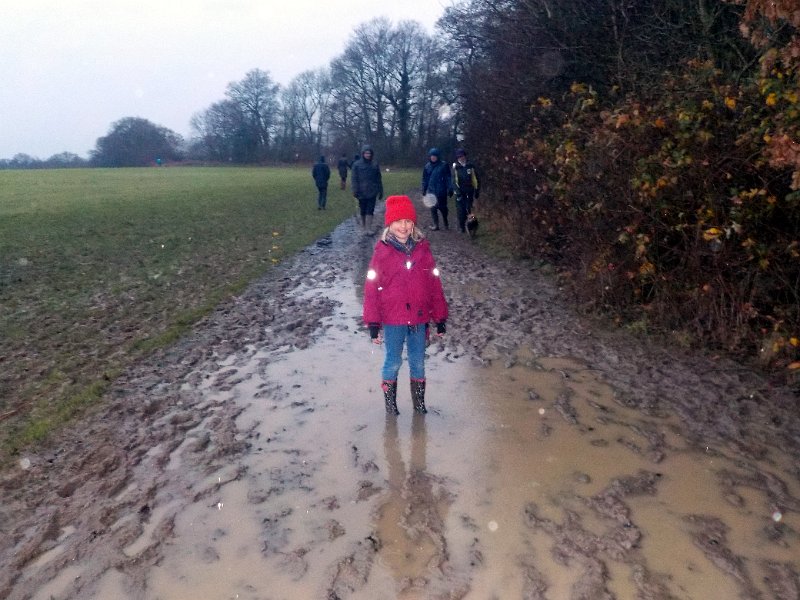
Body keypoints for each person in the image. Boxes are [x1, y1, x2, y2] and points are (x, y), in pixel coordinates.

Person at [363, 195, 448, 414]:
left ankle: (419, 406)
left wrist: (440, 318)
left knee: (418, 362)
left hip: (419, 318)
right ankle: (391, 407)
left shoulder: (423, 250)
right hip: (394, 320)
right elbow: (371, 291)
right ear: (390, 224)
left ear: (413, 224)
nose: (403, 226)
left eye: (408, 221)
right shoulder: (381, 253)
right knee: (393, 361)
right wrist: (373, 324)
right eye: (398, 221)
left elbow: (434, 285)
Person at [351, 144, 384, 234]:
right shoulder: (356, 165)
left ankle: (368, 228)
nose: (368, 155)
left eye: (369, 153)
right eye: (366, 153)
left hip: (372, 191)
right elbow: (354, 178)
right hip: (361, 191)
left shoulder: (374, 164)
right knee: (363, 209)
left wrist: (380, 190)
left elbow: (378, 178)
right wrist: (355, 189)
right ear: (363, 154)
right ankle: (363, 227)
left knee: (370, 210)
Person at [421, 148, 452, 231]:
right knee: (433, 208)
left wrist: (450, 188)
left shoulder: (444, 165)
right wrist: (424, 189)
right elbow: (425, 179)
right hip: (431, 191)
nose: (433, 157)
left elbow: (448, 178)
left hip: (441, 191)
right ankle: (436, 224)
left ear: (438, 156)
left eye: (435, 156)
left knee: (443, 208)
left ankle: (445, 222)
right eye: (432, 156)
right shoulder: (427, 166)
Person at [451, 148, 480, 233]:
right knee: (461, 211)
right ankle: (461, 226)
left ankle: (471, 227)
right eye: (459, 156)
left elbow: (475, 179)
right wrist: (458, 192)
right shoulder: (455, 167)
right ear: (457, 158)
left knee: (469, 210)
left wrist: (477, 190)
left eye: (462, 156)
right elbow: (454, 181)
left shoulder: (470, 166)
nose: (461, 158)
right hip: (460, 193)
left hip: (469, 191)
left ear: (465, 156)